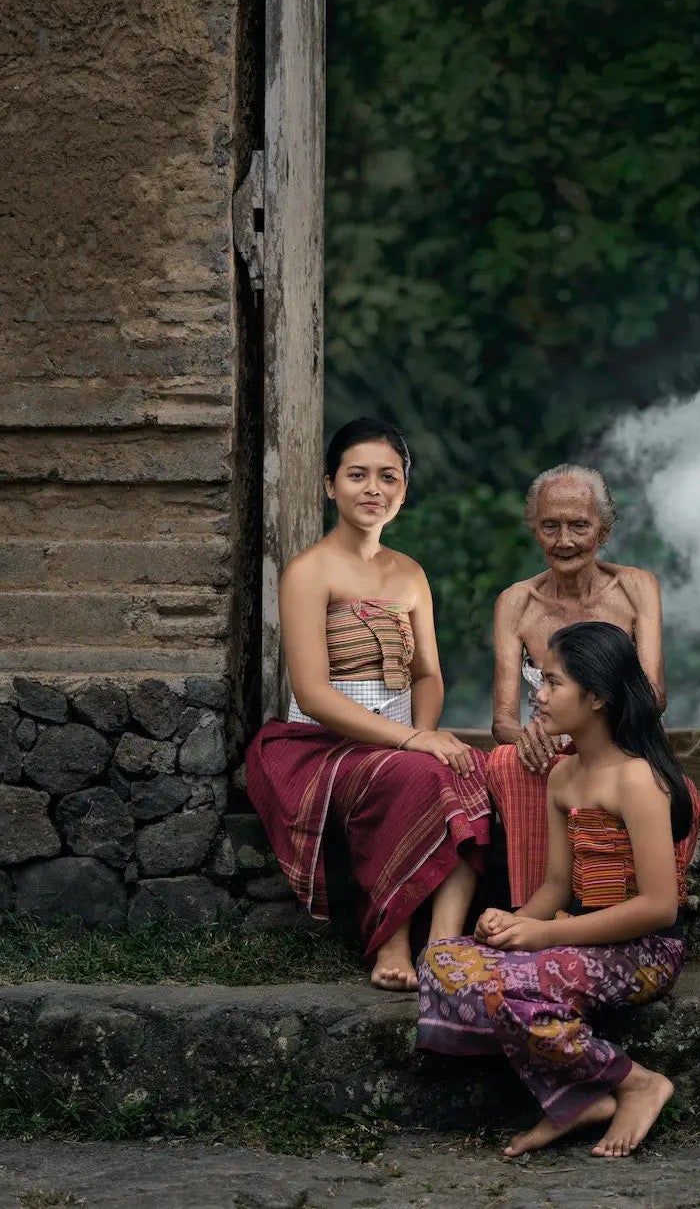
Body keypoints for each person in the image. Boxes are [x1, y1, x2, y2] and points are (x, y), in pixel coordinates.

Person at [418, 620, 700, 1159]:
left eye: (552, 683)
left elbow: (659, 906)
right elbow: (556, 885)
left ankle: (636, 1082)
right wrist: (514, 920)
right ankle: (575, 1100)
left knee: (511, 986)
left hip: (644, 949)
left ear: (596, 697)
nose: (538, 695)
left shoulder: (638, 778)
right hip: (576, 938)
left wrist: (546, 936)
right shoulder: (563, 775)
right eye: (539, 680)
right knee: (444, 960)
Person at [243, 417, 490, 992]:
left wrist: (422, 732)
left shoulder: (410, 574)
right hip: (320, 744)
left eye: (388, 477)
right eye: (357, 475)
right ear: (331, 485)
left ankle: (444, 942)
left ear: (404, 489)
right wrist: (411, 742)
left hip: (398, 740)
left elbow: (428, 673)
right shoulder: (309, 571)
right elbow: (312, 693)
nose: (373, 489)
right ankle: (393, 939)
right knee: (410, 774)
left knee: (473, 769)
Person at [484, 465, 665, 907]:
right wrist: (526, 736)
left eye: (579, 525)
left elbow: (654, 697)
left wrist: (591, 734)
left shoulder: (635, 588)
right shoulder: (517, 602)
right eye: (551, 526)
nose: (564, 540)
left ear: (603, 531)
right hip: (544, 744)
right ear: (535, 530)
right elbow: (503, 720)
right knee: (511, 762)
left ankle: (609, 909)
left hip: (619, 742)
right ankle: (531, 910)